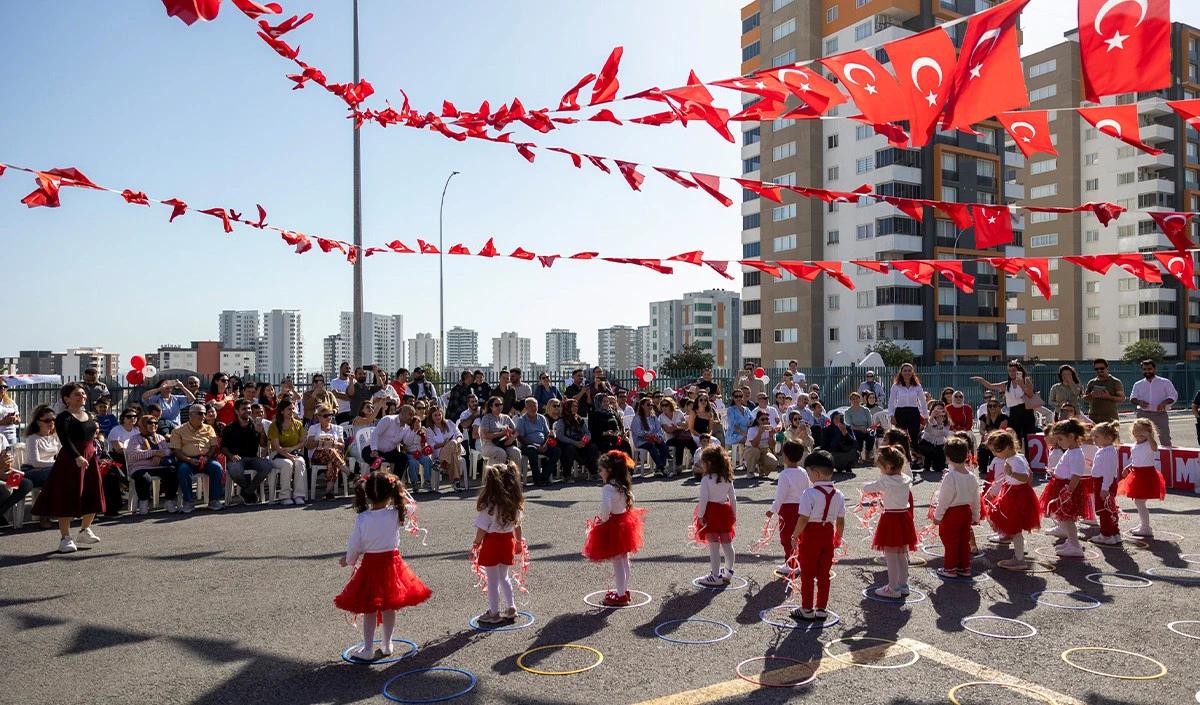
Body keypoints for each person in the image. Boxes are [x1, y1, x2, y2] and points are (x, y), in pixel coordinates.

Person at [335, 471, 431, 660]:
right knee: (389, 607)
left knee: (369, 609)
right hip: (392, 565)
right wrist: (398, 489)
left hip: (371, 566)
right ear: (391, 494)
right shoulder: (396, 513)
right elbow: (411, 506)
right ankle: (387, 644)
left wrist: (349, 560)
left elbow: (355, 544)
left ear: (367, 495)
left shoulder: (363, 518)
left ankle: (368, 649)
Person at [31, 383, 105, 553]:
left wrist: (92, 455)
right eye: (77, 395)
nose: (82, 397)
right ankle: (65, 538)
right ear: (66, 399)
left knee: (93, 492)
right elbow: (65, 440)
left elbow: (92, 437)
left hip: (90, 457)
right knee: (67, 497)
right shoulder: (64, 417)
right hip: (71, 459)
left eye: (83, 394)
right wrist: (77, 457)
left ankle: (85, 530)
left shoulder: (88, 414)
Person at [581, 451, 648, 606]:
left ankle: (620, 595)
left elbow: (605, 508)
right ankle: (624, 591)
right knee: (624, 559)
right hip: (625, 521)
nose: (600, 473)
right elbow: (631, 499)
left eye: (601, 470)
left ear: (609, 470)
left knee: (618, 562)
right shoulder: (623, 484)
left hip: (614, 524)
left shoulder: (608, 488)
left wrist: (603, 520)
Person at [790, 450, 845, 621]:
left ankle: (806, 608)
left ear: (816, 473)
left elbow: (803, 518)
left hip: (811, 535)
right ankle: (821, 608)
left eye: (808, 473)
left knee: (807, 573)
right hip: (828, 534)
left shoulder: (809, 493)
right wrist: (838, 538)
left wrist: (794, 536)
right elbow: (841, 520)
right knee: (824, 574)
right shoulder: (839, 494)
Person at [472, 462, 524, 625]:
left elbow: (482, 529)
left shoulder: (489, 506)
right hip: (507, 542)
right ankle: (511, 607)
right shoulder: (513, 503)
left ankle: (494, 613)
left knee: (492, 580)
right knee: (504, 577)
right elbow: (517, 525)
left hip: (492, 543)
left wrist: (476, 543)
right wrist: (518, 542)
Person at [864, 446, 917, 596]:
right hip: (904, 518)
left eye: (881, 468)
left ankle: (893, 588)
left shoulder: (886, 480)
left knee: (891, 555)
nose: (880, 471)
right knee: (902, 553)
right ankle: (903, 585)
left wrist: (868, 487)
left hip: (891, 519)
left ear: (888, 467)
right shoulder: (905, 479)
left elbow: (867, 487)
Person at [984, 429, 1041, 567]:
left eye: (997, 451)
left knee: (1015, 529)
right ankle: (1017, 555)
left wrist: (1011, 473)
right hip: (1016, 493)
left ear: (1008, 447)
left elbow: (1025, 477)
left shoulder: (1014, 460)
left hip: (1017, 496)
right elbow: (1030, 474)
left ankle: (1019, 559)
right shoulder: (1018, 457)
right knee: (1013, 526)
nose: (995, 454)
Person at [1037, 419, 1088, 559]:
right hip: (1062, 486)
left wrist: (1068, 491)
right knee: (1063, 517)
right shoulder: (1070, 451)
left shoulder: (1076, 453)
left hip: (1066, 489)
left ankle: (1075, 546)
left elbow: (1076, 475)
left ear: (1071, 436)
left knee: (1067, 518)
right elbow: (1067, 469)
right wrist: (1056, 471)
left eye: (1060, 439)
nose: (1058, 442)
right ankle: (1071, 542)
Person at [932, 438, 982, 578]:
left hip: (951, 513)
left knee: (950, 541)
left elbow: (944, 500)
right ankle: (964, 566)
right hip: (966, 511)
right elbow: (976, 499)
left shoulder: (951, 477)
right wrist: (976, 516)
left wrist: (937, 517)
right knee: (963, 540)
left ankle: (950, 568)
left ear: (947, 457)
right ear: (967, 455)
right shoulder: (971, 477)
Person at [694, 445, 737, 587]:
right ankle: (729, 571)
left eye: (703, 464)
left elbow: (703, 500)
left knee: (713, 546)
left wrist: (700, 516)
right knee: (727, 543)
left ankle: (715, 575)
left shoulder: (706, 480)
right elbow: (733, 498)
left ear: (709, 464)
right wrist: (734, 514)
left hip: (711, 513)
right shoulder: (727, 477)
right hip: (725, 512)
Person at [170, 403, 225, 514]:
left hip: (206, 459)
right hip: (186, 460)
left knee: (217, 467)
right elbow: (176, 450)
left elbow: (214, 446)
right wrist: (188, 460)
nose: (203, 416)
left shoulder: (209, 428)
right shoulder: (178, 430)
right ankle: (189, 501)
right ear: (190, 414)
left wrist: (207, 457)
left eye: (204, 413)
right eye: (200, 413)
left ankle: (214, 500)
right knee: (183, 470)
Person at [766, 441, 809, 574]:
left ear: (784, 457)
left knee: (787, 537)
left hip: (788, 509)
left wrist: (772, 510)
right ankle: (799, 561)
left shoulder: (784, 474)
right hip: (802, 509)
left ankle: (791, 564)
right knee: (799, 535)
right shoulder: (803, 472)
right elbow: (807, 491)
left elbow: (781, 496)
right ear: (801, 457)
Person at [1118, 417, 1165, 538]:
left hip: (1147, 475)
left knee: (1139, 502)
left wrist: (1149, 436)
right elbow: (1136, 460)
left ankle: (1146, 527)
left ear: (1149, 432)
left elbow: (1155, 447)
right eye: (1135, 429)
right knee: (1138, 501)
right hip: (1137, 474)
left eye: (1141, 430)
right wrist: (1127, 467)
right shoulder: (1134, 445)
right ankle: (1144, 525)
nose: (1138, 432)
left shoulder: (1149, 444)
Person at [972, 361, 1035, 450]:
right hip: (1014, 412)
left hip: (1026, 410)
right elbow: (991, 386)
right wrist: (981, 380)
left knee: (1028, 437)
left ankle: (1030, 460)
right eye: (1009, 371)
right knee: (1015, 438)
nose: (1012, 373)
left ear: (1019, 371)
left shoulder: (1026, 381)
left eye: (1014, 371)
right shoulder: (1007, 384)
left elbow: (1031, 394)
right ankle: (1016, 458)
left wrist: (1021, 384)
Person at [218, 399, 271, 505]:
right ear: (237, 411)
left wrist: (261, 433)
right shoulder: (230, 427)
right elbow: (223, 447)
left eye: (248, 408)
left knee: (267, 466)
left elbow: (264, 444)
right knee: (235, 470)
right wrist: (231, 456)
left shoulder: (255, 425)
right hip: (236, 459)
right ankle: (249, 492)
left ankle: (247, 491)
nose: (247, 411)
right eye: (244, 409)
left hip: (252, 457)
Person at [125, 414, 179, 514]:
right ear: (143, 424)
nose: (153, 425)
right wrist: (154, 452)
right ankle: (144, 502)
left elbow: (168, 451)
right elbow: (134, 454)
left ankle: (169, 500)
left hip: (158, 465)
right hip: (139, 466)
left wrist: (159, 456)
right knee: (144, 478)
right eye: (150, 423)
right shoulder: (135, 438)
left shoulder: (159, 437)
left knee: (173, 472)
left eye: (155, 423)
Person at [1129, 359, 1176, 447]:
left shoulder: (1165, 382)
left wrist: (1164, 402)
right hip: (1143, 415)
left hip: (1160, 414)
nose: (1147, 371)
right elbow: (1132, 398)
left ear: (1155, 369)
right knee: (1141, 438)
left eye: (1149, 369)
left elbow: (1173, 396)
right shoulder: (1138, 384)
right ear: (1142, 370)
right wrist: (1139, 402)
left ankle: (1166, 459)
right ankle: (1144, 457)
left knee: (1164, 438)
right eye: (1144, 369)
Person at [102, 408, 140, 516]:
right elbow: (119, 449)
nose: (132, 419)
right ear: (122, 418)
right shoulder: (116, 430)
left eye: (134, 416)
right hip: (118, 458)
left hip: (134, 458)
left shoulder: (137, 430)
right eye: (129, 416)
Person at [1089, 422, 1123, 545]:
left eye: (1097, 437)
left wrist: (1104, 488)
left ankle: (1106, 535)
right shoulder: (1104, 450)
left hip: (1104, 483)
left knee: (1104, 509)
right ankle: (1114, 533)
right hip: (1102, 482)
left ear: (1108, 438)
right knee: (1109, 508)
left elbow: (1109, 472)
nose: (1094, 439)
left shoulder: (1108, 452)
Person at [888, 363, 926, 469]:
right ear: (901, 372)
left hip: (914, 412)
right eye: (905, 370)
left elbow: (922, 401)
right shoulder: (896, 386)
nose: (907, 372)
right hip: (900, 412)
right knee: (900, 437)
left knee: (914, 436)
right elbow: (891, 401)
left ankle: (915, 460)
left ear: (912, 372)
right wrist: (891, 415)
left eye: (909, 370)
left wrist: (926, 416)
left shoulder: (917, 386)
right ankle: (900, 459)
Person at [515, 398, 559, 486]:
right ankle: (537, 479)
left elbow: (547, 433)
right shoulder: (522, 420)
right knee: (532, 450)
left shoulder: (542, 418)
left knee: (557, 451)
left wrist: (545, 444)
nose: (533, 408)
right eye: (530, 406)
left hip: (542, 444)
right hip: (528, 445)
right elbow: (520, 438)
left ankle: (544, 476)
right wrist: (535, 445)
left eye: (535, 406)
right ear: (526, 408)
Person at [555, 398, 597, 481]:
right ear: (567, 408)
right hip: (569, 443)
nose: (575, 408)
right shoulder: (562, 420)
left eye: (576, 406)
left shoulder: (579, 420)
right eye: (572, 406)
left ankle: (593, 473)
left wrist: (584, 441)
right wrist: (574, 442)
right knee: (569, 449)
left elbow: (587, 433)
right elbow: (560, 436)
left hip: (581, 443)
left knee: (593, 447)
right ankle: (566, 476)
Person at [424, 406, 464, 491]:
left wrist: (457, 442)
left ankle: (439, 462)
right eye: (435, 415)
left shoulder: (449, 423)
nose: (438, 417)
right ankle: (456, 482)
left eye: (439, 414)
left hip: (456, 448)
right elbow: (431, 446)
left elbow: (459, 435)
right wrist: (443, 444)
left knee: (453, 442)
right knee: (452, 456)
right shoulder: (430, 430)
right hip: (439, 454)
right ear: (431, 417)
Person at [479, 397, 522, 467]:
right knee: (500, 453)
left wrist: (512, 439)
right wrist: (502, 433)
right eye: (497, 405)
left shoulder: (506, 417)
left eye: (501, 404)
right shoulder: (486, 418)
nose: (499, 406)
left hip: (505, 443)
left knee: (516, 452)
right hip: (489, 444)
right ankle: (496, 476)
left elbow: (516, 431)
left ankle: (515, 476)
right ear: (491, 407)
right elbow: (485, 435)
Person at [631, 398, 669, 476]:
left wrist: (658, 437)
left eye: (651, 404)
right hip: (641, 441)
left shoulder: (654, 418)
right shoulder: (637, 419)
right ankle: (662, 468)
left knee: (664, 446)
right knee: (652, 446)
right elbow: (640, 434)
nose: (650, 406)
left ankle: (658, 469)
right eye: (648, 404)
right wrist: (653, 437)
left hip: (653, 439)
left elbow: (658, 430)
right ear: (642, 406)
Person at [1082, 358, 1124, 425]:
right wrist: (1092, 395)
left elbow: (1122, 398)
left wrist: (1108, 396)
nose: (1099, 370)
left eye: (1101, 368)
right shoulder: (1092, 382)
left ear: (1107, 368)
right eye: (1096, 369)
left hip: (1110, 417)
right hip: (1094, 417)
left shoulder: (1115, 381)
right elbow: (1085, 398)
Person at [657, 397, 696, 470]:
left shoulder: (678, 412)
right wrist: (679, 425)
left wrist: (676, 427)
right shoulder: (661, 417)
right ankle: (678, 465)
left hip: (683, 436)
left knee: (691, 443)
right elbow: (668, 430)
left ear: (671, 405)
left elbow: (686, 425)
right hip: (670, 439)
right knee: (679, 443)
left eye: (666, 405)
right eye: (662, 405)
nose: (664, 407)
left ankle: (698, 462)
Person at [918, 402, 952, 474]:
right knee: (931, 452)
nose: (939, 411)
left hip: (940, 444)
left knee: (939, 468)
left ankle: (935, 462)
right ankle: (927, 463)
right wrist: (931, 418)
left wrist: (940, 424)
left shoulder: (947, 421)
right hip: (927, 442)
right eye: (937, 409)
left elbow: (945, 434)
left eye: (941, 409)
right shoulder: (929, 419)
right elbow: (928, 430)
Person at [742, 410, 777, 479]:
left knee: (774, 462)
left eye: (767, 419)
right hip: (751, 450)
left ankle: (762, 470)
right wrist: (760, 433)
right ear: (757, 420)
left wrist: (771, 436)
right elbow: (754, 445)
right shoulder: (752, 429)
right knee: (755, 451)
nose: (765, 421)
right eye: (762, 419)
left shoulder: (770, 429)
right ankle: (750, 472)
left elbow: (772, 446)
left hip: (764, 451)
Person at [844, 392, 874, 463]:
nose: (855, 400)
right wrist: (861, 429)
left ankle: (867, 454)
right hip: (855, 429)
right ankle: (859, 455)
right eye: (853, 399)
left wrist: (868, 429)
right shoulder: (848, 412)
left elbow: (870, 424)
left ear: (860, 399)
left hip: (866, 429)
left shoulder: (865, 410)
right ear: (851, 401)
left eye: (857, 398)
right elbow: (849, 426)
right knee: (858, 435)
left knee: (871, 436)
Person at [724, 389, 753, 458]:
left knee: (756, 440)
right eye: (736, 396)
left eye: (740, 396)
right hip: (734, 434)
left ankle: (749, 459)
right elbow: (733, 425)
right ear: (733, 398)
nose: (738, 398)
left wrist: (750, 429)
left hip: (747, 432)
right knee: (750, 442)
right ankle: (747, 460)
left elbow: (752, 420)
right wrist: (744, 434)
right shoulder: (731, 410)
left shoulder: (746, 409)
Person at [0, 379, 19, 445]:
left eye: (5, 387)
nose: (3, 389)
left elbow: (18, 419)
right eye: (0, 387)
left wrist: (15, 419)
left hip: (11, 436)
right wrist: (2, 422)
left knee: (11, 454)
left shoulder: (11, 402)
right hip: (0, 435)